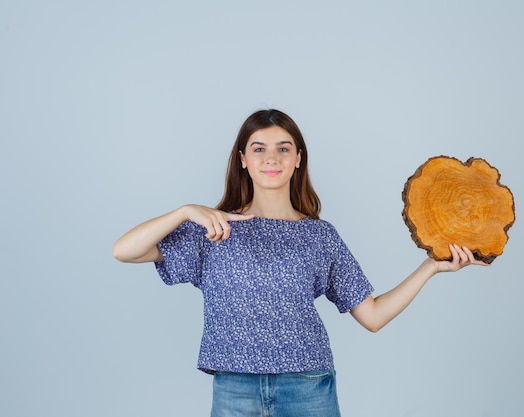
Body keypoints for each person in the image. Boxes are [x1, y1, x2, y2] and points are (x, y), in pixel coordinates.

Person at [112, 109, 487, 417]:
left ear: (297, 159)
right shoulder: (212, 227)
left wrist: (430, 268)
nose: (271, 157)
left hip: (308, 387)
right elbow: (124, 250)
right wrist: (184, 211)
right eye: (258, 149)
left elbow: (372, 316)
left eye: (283, 148)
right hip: (234, 389)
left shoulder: (320, 236)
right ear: (243, 160)